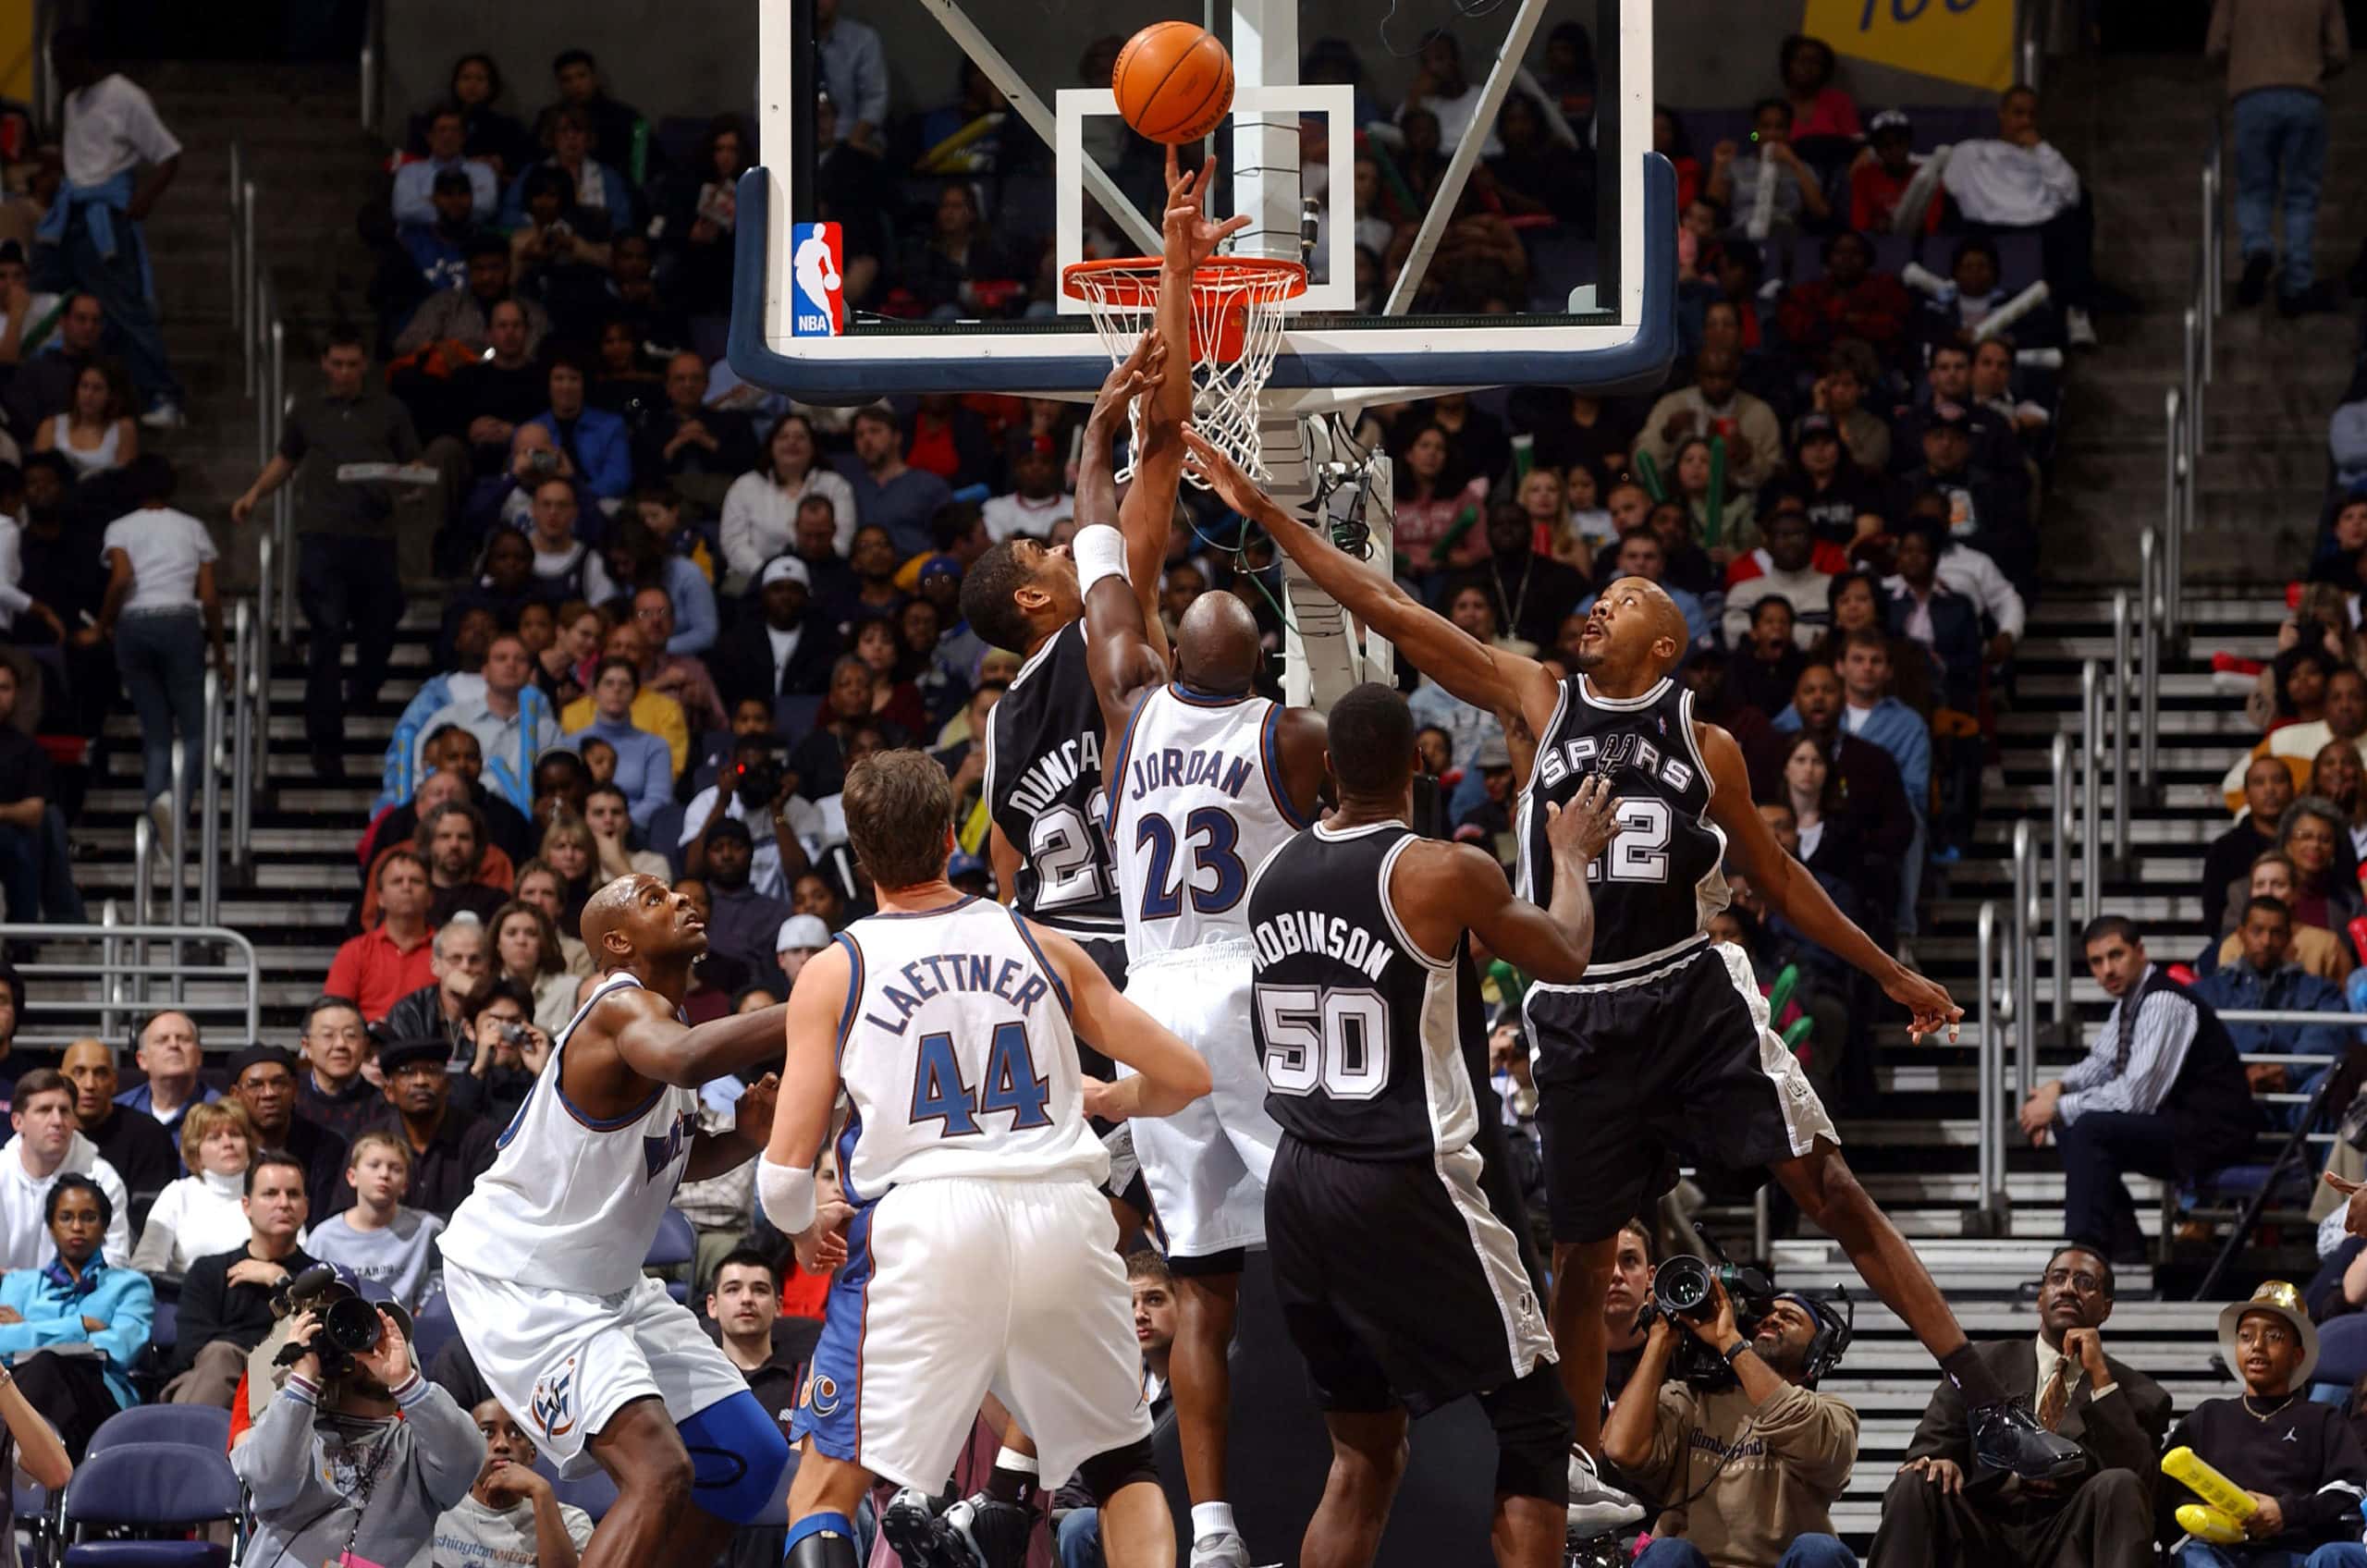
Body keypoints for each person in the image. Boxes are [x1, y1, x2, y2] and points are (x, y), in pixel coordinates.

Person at [1181, 424, 2086, 1496]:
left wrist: (1890, 972)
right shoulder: (1538, 697)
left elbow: (1780, 879)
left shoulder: (1706, 742)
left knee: (1830, 1185)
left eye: (1627, 600)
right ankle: (1575, 1473)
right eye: (1600, 596)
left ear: (1665, 646)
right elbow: (1392, 609)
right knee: (1578, 1251)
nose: (1601, 605)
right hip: (1578, 1011)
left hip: (1686, 993)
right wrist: (1266, 512)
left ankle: (1985, 1404)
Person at [756, 748, 1211, 1568]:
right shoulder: (1039, 942)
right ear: (947, 838)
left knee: (823, 1492)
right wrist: (1114, 1098)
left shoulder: (836, 969)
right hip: (1064, 1219)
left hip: (925, 1225)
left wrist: (801, 1229)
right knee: (1122, 1467)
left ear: (861, 854)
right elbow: (1186, 1077)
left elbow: (785, 1177)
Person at [1077, 180, 1335, 1566]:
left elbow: (1112, 549)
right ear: (1265, 664)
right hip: (1256, 996)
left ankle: (1218, 1520)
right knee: (1340, 1229)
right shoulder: (1291, 737)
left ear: (1176, 657)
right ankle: (1391, 1449)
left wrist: (1106, 432)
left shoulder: (1127, 703)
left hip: (1151, 1000)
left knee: (1199, 1284)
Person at [1247, 682, 1617, 1564]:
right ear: (1420, 762)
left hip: (1297, 1182)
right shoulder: (1443, 870)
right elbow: (1566, 954)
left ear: (1328, 768)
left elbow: (1401, 962)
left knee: (1363, 1453)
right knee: (1537, 1423)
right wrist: (1569, 855)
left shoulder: (1271, 875)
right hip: (1401, 1177)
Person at [440, 872, 795, 1568]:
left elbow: (662, 1162)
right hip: (524, 1281)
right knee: (658, 1470)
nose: (683, 898)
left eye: (678, 894)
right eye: (655, 899)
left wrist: (744, 1139)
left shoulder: (663, 1025)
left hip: (607, 1284)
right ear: (618, 943)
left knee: (750, 1457)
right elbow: (687, 1062)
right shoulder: (617, 1008)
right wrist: (817, 1001)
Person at [1869, 1243, 2168, 1566]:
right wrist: (1939, 1460)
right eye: (2058, 1278)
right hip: (1980, 1533)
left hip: (2069, 1535)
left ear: (2106, 1308)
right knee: (1918, 1480)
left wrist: (2101, 1379)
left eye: (2085, 1282)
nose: (2068, 1289)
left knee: (2121, 1483)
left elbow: (2142, 1489)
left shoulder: (2137, 1393)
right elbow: (1929, 1447)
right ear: (2041, 1297)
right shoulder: (1982, 1365)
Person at [2018, 916, 2265, 1263]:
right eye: (2097, 962)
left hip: (2214, 1134)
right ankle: (2125, 1248)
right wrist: (2057, 1088)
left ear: (2140, 952)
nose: (2107, 969)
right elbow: (2101, 1063)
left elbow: (2136, 1098)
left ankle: (2083, 1253)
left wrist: (2058, 1106)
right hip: (2181, 1126)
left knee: (2086, 1126)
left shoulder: (2164, 1001)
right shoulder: (2129, 1002)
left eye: (2116, 955)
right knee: (2074, 1124)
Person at [232, 327, 420, 778]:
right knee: (327, 634)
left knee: (382, 621)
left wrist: (409, 482)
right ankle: (324, 739)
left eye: (352, 364)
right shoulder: (308, 411)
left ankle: (364, 688)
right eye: (337, 364)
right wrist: (254, 493)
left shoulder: (390, 410)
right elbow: (286, 458)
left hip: (375, 536)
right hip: (323, 538)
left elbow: (412, 463)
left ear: (364, 365)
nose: (344, 372)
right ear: (324, 364)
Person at [1602, 1280, 1858, 1568]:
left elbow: (1808, 1434)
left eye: (1789, 1318)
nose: (1772, 1319)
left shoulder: (1833, 1413)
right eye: (1765, 1315)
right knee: (1666, 1553)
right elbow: (1620, 1448)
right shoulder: (1692, 1400)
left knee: (1819, 1550)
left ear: (1817, 1350)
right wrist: (1660, 1340)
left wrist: (1730, 1342)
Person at [234, 1280, 484, 1568]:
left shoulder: (420, 1447)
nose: (372, 1345)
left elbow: (466, 1461)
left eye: (383, 1333)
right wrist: (302, 1380)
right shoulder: (296, 1429)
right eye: (357, 1331)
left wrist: (408, 1384)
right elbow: (269, 1480)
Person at [2161, 1280, 2367, 1564]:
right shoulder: (2208, 1416)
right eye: (2246, 1336)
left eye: (2274, 1336)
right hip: (2218, 1550)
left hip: (2297, 1553)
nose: (2257, 1346)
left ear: (2297, 1355)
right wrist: (2207, 1514)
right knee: (2195, 1557)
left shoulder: (2323, 1419)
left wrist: (2286, 1512)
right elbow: (2167, 1492)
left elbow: (2350, 1491)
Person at [41, 29, 185, 425]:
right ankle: (91, 394)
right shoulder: (72, 102)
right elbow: (84, 163)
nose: (57, 75)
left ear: (82, 59)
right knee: (56, 303)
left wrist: (145, 199)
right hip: (70, 218)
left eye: (62, 65)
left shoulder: (125, 96)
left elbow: (170, 155)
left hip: (106, 221)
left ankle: (163, 394)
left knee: (126, 311)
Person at [0, 1172, 149, 1458]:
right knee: (40, 1369)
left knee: (45, 1364)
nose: (77, 1227)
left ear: (105, 1226)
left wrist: (28, 1330)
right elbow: (2, 1345)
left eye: (89, 1217)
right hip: (24, 1393)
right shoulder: (18, 1283)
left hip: (99, 1400)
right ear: (51, 1227)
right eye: (66, 1217)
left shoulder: (130, 1285)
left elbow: (120, 1349)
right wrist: (79, 1326)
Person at [166, 1150, 314, 1407]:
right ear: (246, 1205)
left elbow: (318, 1345)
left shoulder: (319, 1278)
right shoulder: (209, 1271)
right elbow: (190, 1348)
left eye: (293, 1194)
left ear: (306, 1208)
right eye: (270, 1194)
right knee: (220, 1355)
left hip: (289, 1386)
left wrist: (280, 1280)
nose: (283, 1203)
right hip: (212, 1382)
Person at [2195, 897, 2351, 1126]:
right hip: (2231, 1092)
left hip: (2297, 1092)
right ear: (2241, 934)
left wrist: (2289, 1072)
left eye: (2276, 933)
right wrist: (2239, 1075)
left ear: (2289, 938)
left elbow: (2326, 1036)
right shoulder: (2208, 991)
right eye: (2257, 931)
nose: (2267, 941)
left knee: (2329, 1086)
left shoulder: (2319, 991)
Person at [434, 1397, 597, 1568]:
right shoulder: (438, 1513)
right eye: (487, 1433)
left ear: (532, 1454)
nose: (502, 1445)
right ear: (467, 1450)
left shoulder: (571, 1522)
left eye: (516, 1434)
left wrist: (542, 1492)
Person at [346, 1037, 497, 1222]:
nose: (421, 1081)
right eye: (407, 1072)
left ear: (448, 1085)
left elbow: (492, 1212)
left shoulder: (481, 1136)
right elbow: (348, 1215)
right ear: (389, 1091)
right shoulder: (369, 1141)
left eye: (432, 1071)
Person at [305, 1129, 448, 1314]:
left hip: (410, 1327)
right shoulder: (324, 1238)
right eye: (374, 1165)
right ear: (352, 1177)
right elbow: (307, 1293)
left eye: (396, 1169)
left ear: (405, 1185)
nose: (384, 1174)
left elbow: (444, 1274)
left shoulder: (427, 1228)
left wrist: (425, 1305)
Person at [0, 1069, 129, 1270]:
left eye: (64, 1111)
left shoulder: (102, 1179)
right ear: (18, 1122)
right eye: (44, 1110)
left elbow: (115, 1262)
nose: (57, 1121)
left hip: (78, 1290)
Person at [226, 1043, 349, 1229]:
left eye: (279, 1083)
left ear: (295, 1089)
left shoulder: (327, 1148)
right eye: (256, 1085)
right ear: (235, 1095)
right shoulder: (223, 1147)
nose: (269, 1093)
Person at [129, 1099, 257, 1271]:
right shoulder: (178, 1194)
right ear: (196, 1154)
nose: (228, 1143)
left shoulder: (269, 1190)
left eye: (235, 1134)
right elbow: (145, 1264)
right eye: (214, 1138)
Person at [0, 660, 82, 923]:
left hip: (10, 837)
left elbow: (34, 811)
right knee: (49, 824)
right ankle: (66, 919)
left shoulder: (27, 749)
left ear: (17, 694)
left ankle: (26, 934)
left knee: (38, 829)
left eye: (4, 688)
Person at [327, 851, 440, 1022]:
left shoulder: (448, 952)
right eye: (397, 881)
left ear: (430, 897)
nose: (406, 887)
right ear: (380, 898)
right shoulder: (354, 952)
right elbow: (334, 1016)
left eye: (416, 881)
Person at [57, 1038, 174, 1199]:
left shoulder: (149, 1136)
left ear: (114, 1082)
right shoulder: (47, 1134)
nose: (90, 1084)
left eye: (101, 1073)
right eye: (78, 1073)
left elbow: (152, 1212)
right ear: (61, 1081)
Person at [832, 404, 952, 558]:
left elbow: (949, 543)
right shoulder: (847, 488)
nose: (866, 439)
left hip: (918, 569)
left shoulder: (929, 485)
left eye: (875, 431)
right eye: (859, 435)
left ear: (897, 437)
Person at [383, 916, 493, 1067]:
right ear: (435, 966)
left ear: (487, 967)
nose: (465, 967)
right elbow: (408, 1071)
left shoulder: (498, 1009)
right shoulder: (409, 1011)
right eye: (455, 958)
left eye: (475, 959)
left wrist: (477, 993)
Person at [299, 994, 383, 1143]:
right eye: (328, 1035)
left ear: (365, 1045)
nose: (340, 1044)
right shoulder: (289, 1097)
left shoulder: (382, 1106)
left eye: (350, 1035)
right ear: (307, 1047)